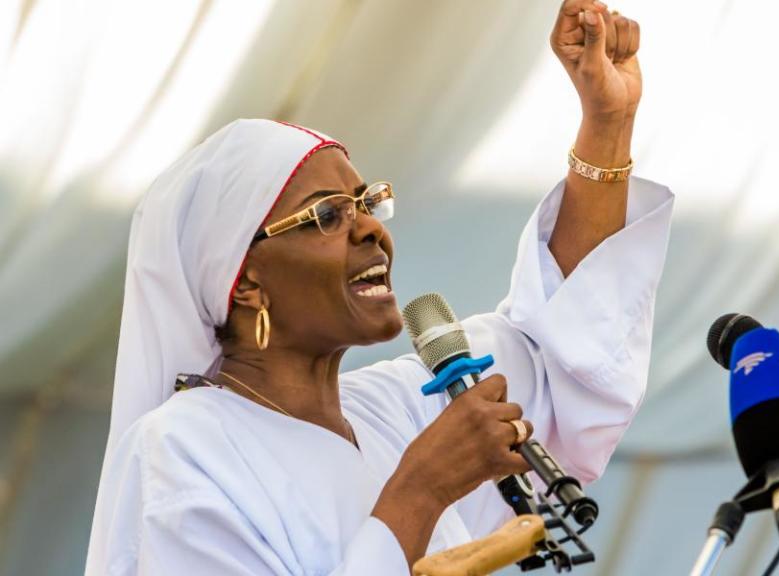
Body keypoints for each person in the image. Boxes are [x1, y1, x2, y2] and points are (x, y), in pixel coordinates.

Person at [85, 1, 673, 574]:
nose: (369, 227)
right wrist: (421, 490)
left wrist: (607, 122)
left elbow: (559, 348)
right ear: (244, 281)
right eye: (327, 216)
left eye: (366, 202)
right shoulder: (181, 454)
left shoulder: (399, 407)